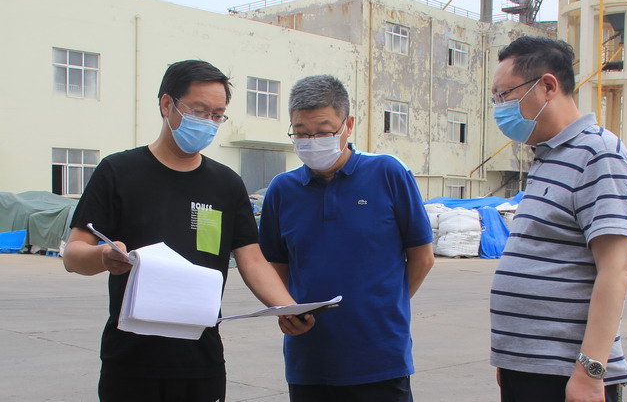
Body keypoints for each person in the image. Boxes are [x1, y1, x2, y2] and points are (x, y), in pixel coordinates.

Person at [62, 60, 313, 402]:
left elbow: (252, 260)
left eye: (217, 115)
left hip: (200, 361)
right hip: (131, 361)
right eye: (199, 111)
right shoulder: (118, 172)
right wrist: (103, 256)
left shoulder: (226, 184)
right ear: (167, 104)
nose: (208, 122)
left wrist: (289, 307)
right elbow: (73, 254)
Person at [258, 74, 435, 402]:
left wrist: (385, 305)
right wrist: (285, 310)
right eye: (301, 132)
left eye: (323, 131)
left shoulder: (388, 173)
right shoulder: (282, 190)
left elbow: (422, 257)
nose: (312, 140)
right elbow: (274, 266)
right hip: (309, 360)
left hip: (380, 358)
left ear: (348, 125)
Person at [488, 36, 627, 402]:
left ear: (548, 86)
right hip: (531, 367)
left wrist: (590, 372)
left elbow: (615, 270)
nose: (500, 108)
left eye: (505, 95)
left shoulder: (599, 154)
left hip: (566, 375)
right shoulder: (548, 156)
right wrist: (514, 355)